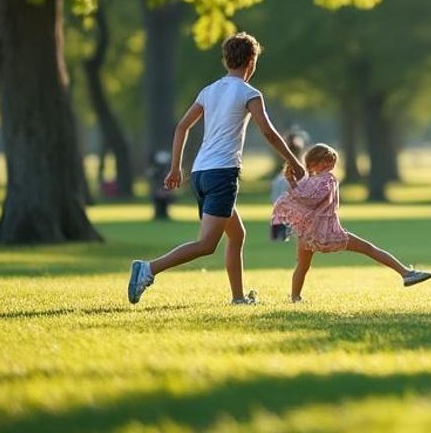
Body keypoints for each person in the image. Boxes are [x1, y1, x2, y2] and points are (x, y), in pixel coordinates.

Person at [127, 32, 307, 305]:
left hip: (201, 173)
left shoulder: (209, 90)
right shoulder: (250, 93)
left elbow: (182, 127)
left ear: (226, 61)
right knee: (207, 244)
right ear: (251, 61)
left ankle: (237, 298)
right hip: (222, 173)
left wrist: (176, 168)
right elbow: (269, 133)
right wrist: (295, 162)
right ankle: (148, 269)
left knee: (237, 234)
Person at [272, 144, 431, 302]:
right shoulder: (327, 179)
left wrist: (292, 183)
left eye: (332, 161)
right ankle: (406, 273)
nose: (331, 165)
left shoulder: (309, 182)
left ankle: (295, 297)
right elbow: (311, 198)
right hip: (329, 233)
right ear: (317, 163)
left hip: (307, 234)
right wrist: (294, 183)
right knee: (368, 248)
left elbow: (302, 197)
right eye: (327, 161)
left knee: (302, 265)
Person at [270, 132, 307, 242]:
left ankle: (278, 233)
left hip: (286, 179)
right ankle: (283, 233)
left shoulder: (279, 178)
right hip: (290, 179)